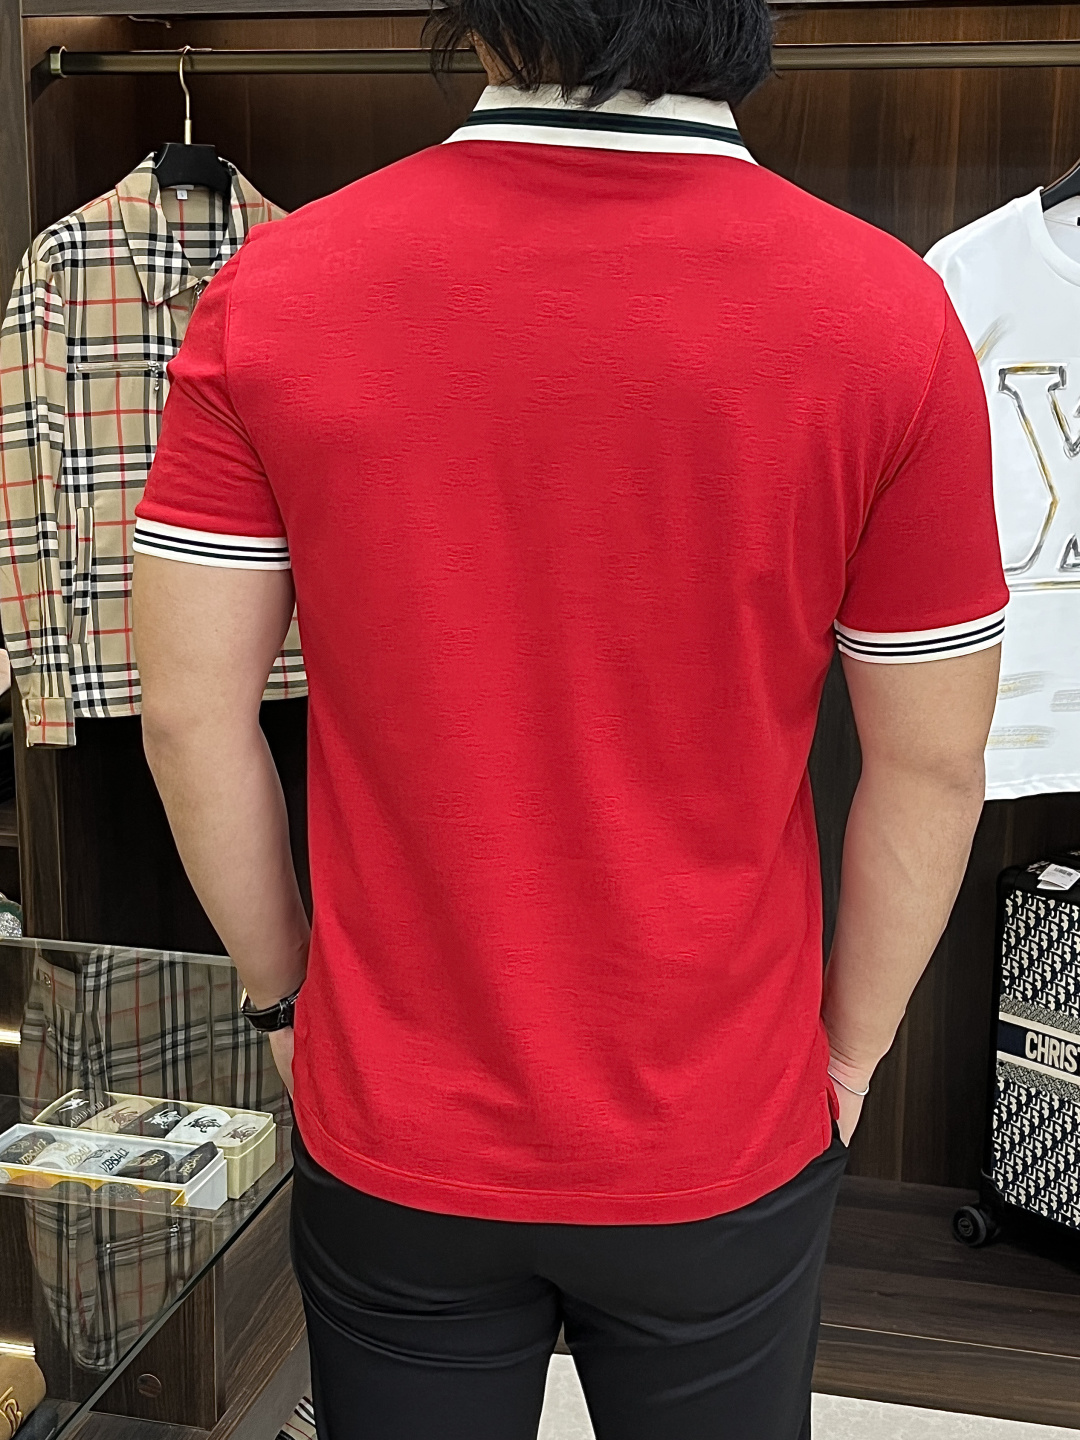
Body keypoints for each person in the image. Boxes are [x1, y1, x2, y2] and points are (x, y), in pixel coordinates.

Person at [131, 1, 1007, 1435]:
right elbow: (933, 764)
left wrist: (286, 1002)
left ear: (477, 18)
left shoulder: (275, 290)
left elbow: (185, 717)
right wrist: (844, 1059)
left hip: (398, 1117)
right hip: (723, 1123)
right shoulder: (888, 315)